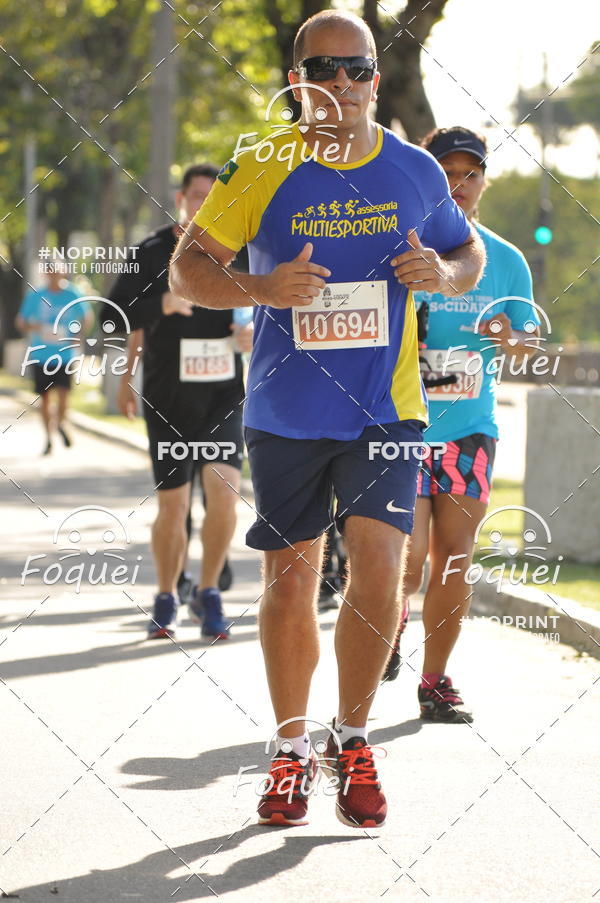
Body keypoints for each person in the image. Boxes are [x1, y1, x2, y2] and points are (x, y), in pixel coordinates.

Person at [170, 10, 485, 828]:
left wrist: (444, 272)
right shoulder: (263, 164)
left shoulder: (416, 169)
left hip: (388, 409)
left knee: (381, 568)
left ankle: (352, 736)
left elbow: (469, 248)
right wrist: (263, 289)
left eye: (357, 70)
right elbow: (190, 267)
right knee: (291, 579)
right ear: (295, 81)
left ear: (378, 80)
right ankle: (287, 749)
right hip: (285, 410)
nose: (341, 85)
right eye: (324, 69)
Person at [383, 127, 540, 723]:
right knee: (409, 554)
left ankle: (435, 680)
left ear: (483, 182)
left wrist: (510, 337)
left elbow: (527, 342)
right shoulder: (398, 246)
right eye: (447, 172)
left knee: (453, 557)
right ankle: (387, 630)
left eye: (471, 173)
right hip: (399, 425)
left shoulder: (504, 259)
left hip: (469, 427)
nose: (460, 184)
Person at [107, 164, 252, 641]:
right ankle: (166, 594)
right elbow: (118, 313)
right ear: (181, 197)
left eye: (214, 198)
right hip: (167, 395)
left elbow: (269, 304)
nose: (203, 204)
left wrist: (251, 331)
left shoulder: (239, 249)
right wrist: (158, 307)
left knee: (225, 493)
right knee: (172, 507)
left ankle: (209, 592)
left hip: (223, 395)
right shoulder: (151, 251)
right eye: (196, 196)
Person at [17, 266, 92, 455]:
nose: (53, 275)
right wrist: (34, 326)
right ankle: (48, 438)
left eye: (56, 271)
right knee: (45, 399)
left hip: (65, 355)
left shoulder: (72, 293)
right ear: (45, 273)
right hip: (41, 355)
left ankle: (60, 424)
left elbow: (87, 317)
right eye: (50, 271)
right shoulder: (36, 295)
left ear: (63, 272)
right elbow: (21, 322)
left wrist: (79, 334)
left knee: (64, 396)